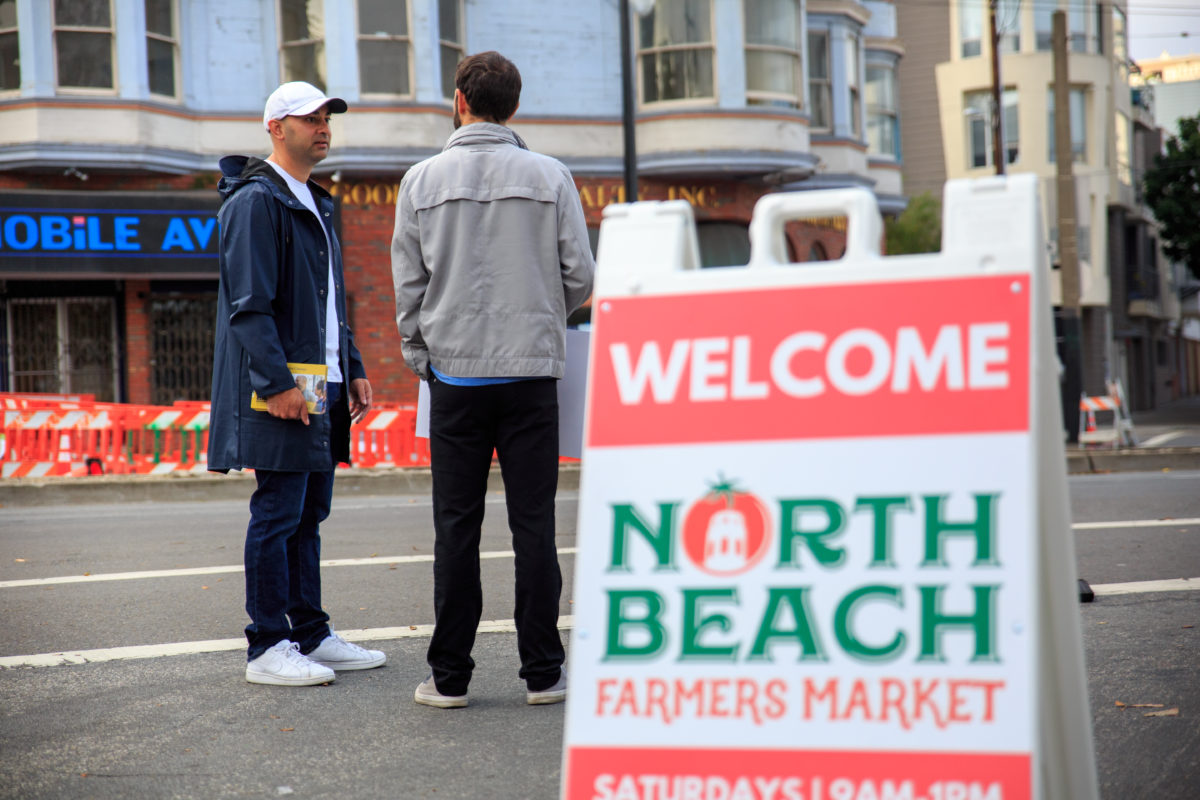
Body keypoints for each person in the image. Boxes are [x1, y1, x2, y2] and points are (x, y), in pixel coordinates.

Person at [392, 51, 595, 709]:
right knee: (534, 522)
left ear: (459, 100)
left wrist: (423, 353)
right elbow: (581, 277)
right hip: (530, 372)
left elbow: (408, 286)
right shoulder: (551, 175)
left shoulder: (420, 181)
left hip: (455, 376)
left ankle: (449, 677)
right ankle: (543, 673)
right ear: (513, 106)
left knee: (457, 525)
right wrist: (540, 323)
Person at [210, 81, 386, 686]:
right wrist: (277, 381)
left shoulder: (316, 201)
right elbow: (249, 307)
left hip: (324, 382)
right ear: (274, 128)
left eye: (326, 118)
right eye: (308, 118)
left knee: (309, 514)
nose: (322, 127)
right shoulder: (257, 201)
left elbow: (332, 303)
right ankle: (267, 645)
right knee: (278, 511)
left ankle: (310, 634)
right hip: (282, 386)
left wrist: (354, 366)